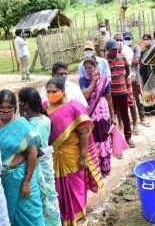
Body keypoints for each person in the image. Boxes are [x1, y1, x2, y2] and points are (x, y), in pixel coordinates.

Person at [44, 77, 104, 225]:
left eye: (54, 91)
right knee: (57, 185)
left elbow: (84, 133)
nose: (51, 94)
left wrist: (83, 157)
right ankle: (62, 214)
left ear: (63, 91)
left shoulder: (74, 107)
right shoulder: (44, 107)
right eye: (49, 91)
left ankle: (78, 212)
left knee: (74, 183)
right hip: (52, 154)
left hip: (72, 154)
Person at [0, 90, 45, 226]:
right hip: (2, 180)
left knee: (32, 215)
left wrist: (27, 182)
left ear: (15, 107)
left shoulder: (23, 126)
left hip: (22, 178)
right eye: (2, 108)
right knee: (8, 215)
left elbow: (32, 154)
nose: (5, 111)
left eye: (9, 108)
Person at [17, 88, 61, 226]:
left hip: (39, 166)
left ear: (25, 104)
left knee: (45, 198)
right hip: (39, 164)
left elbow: (37, 151)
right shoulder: (39, 120)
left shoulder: (38, 123)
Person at [79, 58, 117, 175]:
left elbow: (109, 98)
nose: (89, 70)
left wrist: (112, 114)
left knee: (103, 137)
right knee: (92, 138)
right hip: (90, 114)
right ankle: (94, 168)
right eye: (86, 68)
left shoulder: (104, 80)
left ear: (96, 67)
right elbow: (85, 96)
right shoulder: (82, 80)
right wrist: (93, 81)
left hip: (102, 112)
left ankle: (105, 167)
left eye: (91, 67)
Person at [105, 39, 135, 147]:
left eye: (116, 49)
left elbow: (127, 71)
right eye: (113, 50)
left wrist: (122, 80)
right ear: (107, 50)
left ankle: (128, 138)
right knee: (111, 117)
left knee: (125, 116)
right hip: (111, 94)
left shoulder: (122, 57)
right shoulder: (104, 61)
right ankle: (114, 140)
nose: (115, 51)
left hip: (122, 92)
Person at [123, 32, 145, 124]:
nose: (127, 40)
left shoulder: (135, 47)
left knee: (138, 98)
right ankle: (132, 119)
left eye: (129, 38)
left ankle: (142, 117)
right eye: (125, 39)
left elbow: (136, 61)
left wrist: (124, 61)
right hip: (125, 78)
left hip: (135, 77)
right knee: (128, 100)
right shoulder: (121, 49)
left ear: (131, 38)